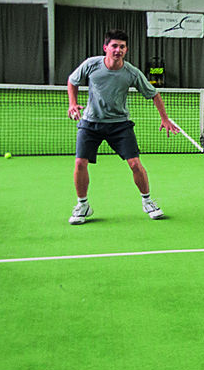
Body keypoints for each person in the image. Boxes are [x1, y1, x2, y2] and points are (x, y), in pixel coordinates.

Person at [66, 29, 180, 224]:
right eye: (114, 46)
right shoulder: (91, 64)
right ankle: (83, 205)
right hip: (90, 123)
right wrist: (72, 103)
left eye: (122, 47)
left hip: (119, 125)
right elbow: (72, 80)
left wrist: (165, 118)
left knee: (135, 163)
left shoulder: (131, 72)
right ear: (106, 48)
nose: (118, 50)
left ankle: (147, 201)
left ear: (126, 50)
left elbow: (153, 93)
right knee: (79, 163)